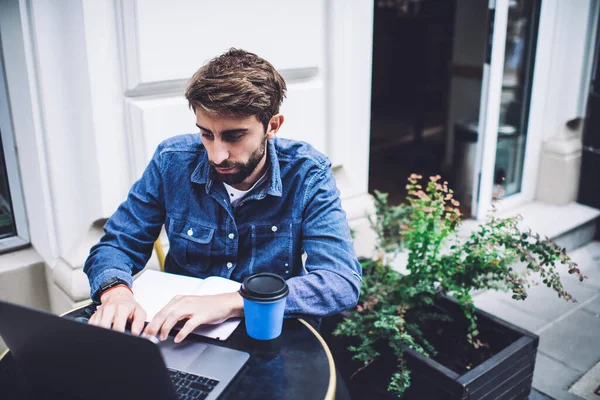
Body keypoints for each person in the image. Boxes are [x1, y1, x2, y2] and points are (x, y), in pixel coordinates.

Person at [83, 48, 362, 343]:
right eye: (206, 134)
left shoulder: (307, 173)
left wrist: (232, 301)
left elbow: (340, 282)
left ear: (272, 126)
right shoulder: (171, 161)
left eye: (234, 136)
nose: (217, 155)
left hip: (270, 337)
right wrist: (115, 293)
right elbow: (117, 244)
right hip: (182, 336)